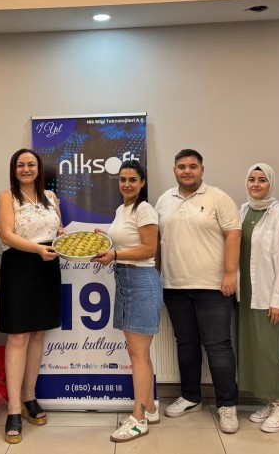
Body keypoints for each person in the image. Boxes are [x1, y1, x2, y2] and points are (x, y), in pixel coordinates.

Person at [155, 148, 242, 433]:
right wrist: (156, 275)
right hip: (175, 286)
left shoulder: (218, 197)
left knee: (218, 346)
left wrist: (230, 273)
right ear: (175, 170)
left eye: (193, 166)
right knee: (186, 344)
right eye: (182, 166)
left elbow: (233, 234)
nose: (187, 171)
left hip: (213, 286)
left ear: (202, 170)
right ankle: (191, 397)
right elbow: (157, 240)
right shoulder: (164, 200)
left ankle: (227, 405)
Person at [0, 148, 64, 444]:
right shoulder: (6, 197)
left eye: (31, 164)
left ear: (39, 168)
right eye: (20, 165)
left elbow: (57, 229)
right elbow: (6, 235)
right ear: (14, 169)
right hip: (20, 266)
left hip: (48, 266)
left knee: (38, 333)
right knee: (18, 337)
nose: (26, 169)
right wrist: (37, 249)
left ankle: (29, 397)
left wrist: (61, 237)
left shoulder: (51, 197)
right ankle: (13, 409)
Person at [93, 160, 162, 443]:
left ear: (142, 183)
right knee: (140, 353)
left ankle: (138, 419)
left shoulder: (145, 209)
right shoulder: (122, 210)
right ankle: (151, 409)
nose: (127, 184)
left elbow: (148, 248)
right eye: (122, 179)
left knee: (138, 355)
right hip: (124, 280)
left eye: (133, 179)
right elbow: (125, 241)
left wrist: (115, 255)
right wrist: (105, 239)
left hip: (141, 281)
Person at [237, 163, 279, 433]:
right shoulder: (242, 211)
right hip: (245, 294)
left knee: (268, 352)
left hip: (269, 296)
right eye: (252, 179)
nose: (256, 184)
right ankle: (270, 402)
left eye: (262, 180)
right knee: (253, 351)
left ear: (270, 184)